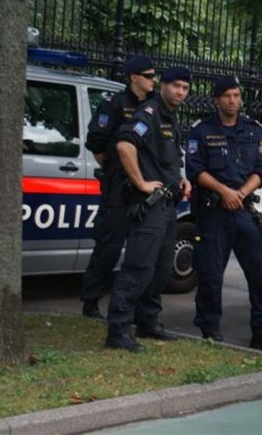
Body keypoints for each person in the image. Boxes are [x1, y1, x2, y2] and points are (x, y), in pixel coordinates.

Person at [186, 76, 262, 353]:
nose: (233, 100)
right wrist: (224, 191)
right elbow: (195, 170)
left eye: (236, 95)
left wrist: (240, 194)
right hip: (214, 212)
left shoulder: (254, 130)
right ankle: (209, 328)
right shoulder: (202, 130)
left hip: (243, 209)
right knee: (210, 273)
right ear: (217, 100)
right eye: (227, 96)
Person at [104, 67, 193, 352]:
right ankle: (118, 330)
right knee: (138, 268)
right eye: (176, 86)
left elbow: (167, 160)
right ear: (162, 85)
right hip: (149, 206)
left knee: (162, 269)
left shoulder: (170, 118)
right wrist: (141, 182)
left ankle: (148, 321)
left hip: (168, 205)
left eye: (185, 88)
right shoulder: (149, 114)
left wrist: (182, 179)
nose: (180, 92)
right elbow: (124, 146)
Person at [81, 56, 156, 319]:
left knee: (142, 249)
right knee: (109, 246)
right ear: (134, 77)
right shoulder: (114, 105)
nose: (153, 80)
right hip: (119, 187)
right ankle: (91, 301)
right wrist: (116, 171)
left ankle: (133, 305)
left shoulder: (153, 107)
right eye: (148, 75)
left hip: (146, 187)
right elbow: (98, 144)